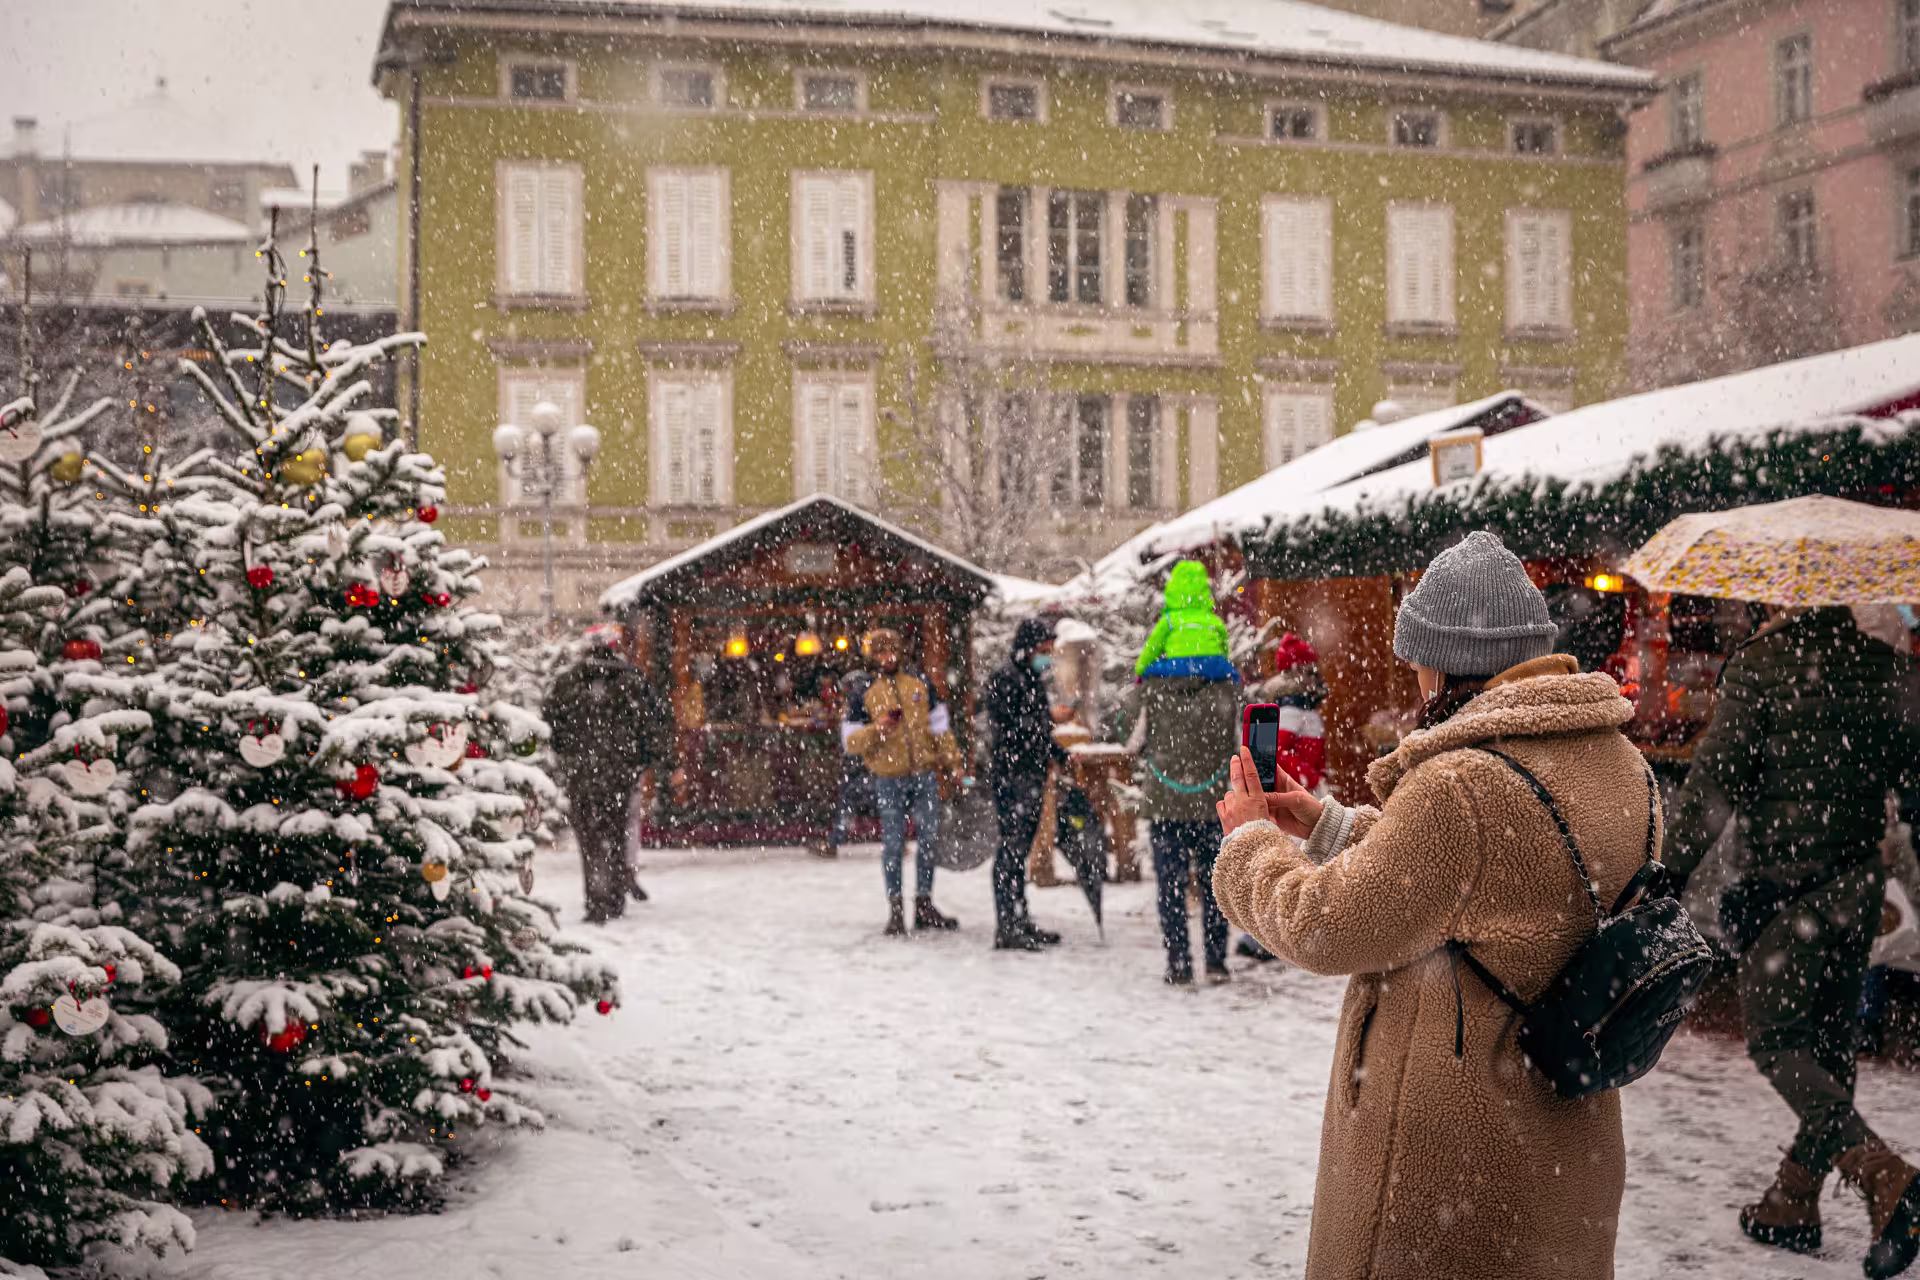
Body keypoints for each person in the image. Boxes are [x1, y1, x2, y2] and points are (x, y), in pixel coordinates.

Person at [1213, 530, 1648, 1279]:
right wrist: (1326, 824)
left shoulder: (1462, 787)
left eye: (1417, 664)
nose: (1415, 683)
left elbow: (1324, 927)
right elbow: (1489, 879)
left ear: (1448, 662)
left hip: (1453, 1164)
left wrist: (1250, 844)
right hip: (1558, 1144)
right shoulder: (1617, 761)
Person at [1666, 604, 1920, 1274]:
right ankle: (1793, 1200)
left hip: (1785, 888)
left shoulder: (1762, 665)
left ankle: (1888, 1178)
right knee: (1831, 1047)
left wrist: (1667, 872)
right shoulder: (1890, 670)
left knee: (1777, 1040)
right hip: (1857, 885)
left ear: (1781, 594)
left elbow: (1713, 787)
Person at [1130, 565, 1240, 985]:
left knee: (1170, 889)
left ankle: (1178, 962)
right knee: (1215, 886)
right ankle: (1215, 960)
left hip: (1166, 799)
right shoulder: (1225, 687)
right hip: (1213, 800)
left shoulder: (1154, 688)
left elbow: (1132, 740)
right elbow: (1235, 742)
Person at [544, 626, 673, 924]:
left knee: (589, 840)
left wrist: (569, 758)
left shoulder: (568, 682)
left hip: (582, 775)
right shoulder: (632, 681)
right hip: (619, 775)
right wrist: (639, 762)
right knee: (616, 835)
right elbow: (653, 726)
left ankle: (596, 899)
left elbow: (552, 724)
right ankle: (614, 896)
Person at [845, 629, 963, 936]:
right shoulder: (864, 692)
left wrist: (953, 763)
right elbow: (850, 742)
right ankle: (895, 909)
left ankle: (924, 902)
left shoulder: (921, 684)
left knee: (929, 839)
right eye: (881, 653)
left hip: (922, 772)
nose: (889, 658)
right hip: (888, 777)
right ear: (873, 657)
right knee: (893, 844)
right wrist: (878, 730)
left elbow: (940, 727)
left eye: (892, 651)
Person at [984, 617, 1069, 951]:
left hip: (1029, 774)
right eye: (1043, 650)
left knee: (1019, 852)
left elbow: (1035, 730)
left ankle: (1019, 917)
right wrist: (1049, 724)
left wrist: (1058, 752)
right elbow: (1016, 730)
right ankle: (1007, 924)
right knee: (1011, 850)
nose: (1047, 656)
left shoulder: (1030, 678)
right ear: (1028, 648)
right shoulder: (1006, 678)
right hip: (1012, 775)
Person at [1132, 559, 1231, 677]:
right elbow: (1224, 645)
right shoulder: (1212, 620)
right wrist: (1221, 662)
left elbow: (1153, 647)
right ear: (1204, 590)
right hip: (1211, 664)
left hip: (1177, 667)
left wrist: (1140, 669)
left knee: (1153, 671)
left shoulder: (1169, 620)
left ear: (1172, 589)